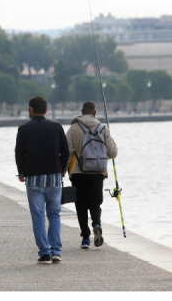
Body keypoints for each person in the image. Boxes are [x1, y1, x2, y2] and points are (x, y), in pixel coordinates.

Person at [15, 96, 69, 264]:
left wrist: (21, 172)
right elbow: (66, 152)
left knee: (38, 215)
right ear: (46, 110)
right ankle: (56, 251)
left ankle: (44, 252)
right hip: (53, 178)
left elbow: (19, 153)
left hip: (33, 179)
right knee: (54, 214)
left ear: (31, 110)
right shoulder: (56, 126)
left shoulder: (23, 129)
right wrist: (60, 171)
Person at [66, 101, 118, 249]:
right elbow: (113, 152)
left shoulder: (73, 128)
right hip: (98, 172)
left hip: (78, 172)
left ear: (82, 111)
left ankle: (85, 238)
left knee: (80, 204)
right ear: (95, 113)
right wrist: (100, 159)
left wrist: (63, 171)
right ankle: (96, 224)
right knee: (95, 202)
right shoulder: (103, 128)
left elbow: (67, 152)